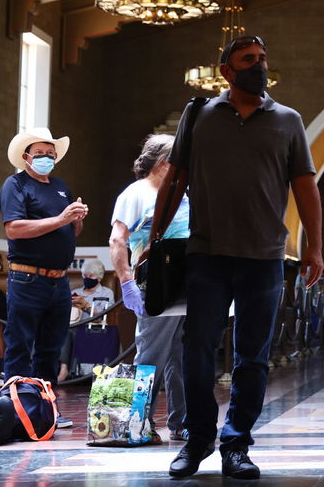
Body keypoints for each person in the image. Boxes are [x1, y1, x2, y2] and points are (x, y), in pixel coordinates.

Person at [163, 34, 323, 481]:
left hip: (264, 256)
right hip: (207, 254)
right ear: (227, 72)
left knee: (252, 356)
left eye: (263, 59)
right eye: (248, 60)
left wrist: (314, 246)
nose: (259, 65)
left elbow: (305, 187)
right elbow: (175, 179)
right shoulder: (199, 116)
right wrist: (154, 237)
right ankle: (197, 441)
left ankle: (236, 444)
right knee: (197, 350)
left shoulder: (288, 120)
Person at [0, 127, 87, 429]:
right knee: (20, 345)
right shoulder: (16, 185)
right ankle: (17, 411)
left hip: (60, 281)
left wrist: (75, 220)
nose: (47, 158)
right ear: (26, 157)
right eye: (40, 154)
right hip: (27, 279)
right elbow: (14, 229)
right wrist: (62, 219)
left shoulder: (60, 186)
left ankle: (46, 411)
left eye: (51, 154)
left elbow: (67, 231)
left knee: (51, 349)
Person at [109, 133, 190, 440]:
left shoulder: (182, 194)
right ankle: (138, 422)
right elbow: (118, 240)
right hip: (155, 282)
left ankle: (181, 422)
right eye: (178, 160)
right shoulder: (137, 194)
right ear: (161, 163)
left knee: (181, 356)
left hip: (185, 282)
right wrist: (126, 283)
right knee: (151, 356)